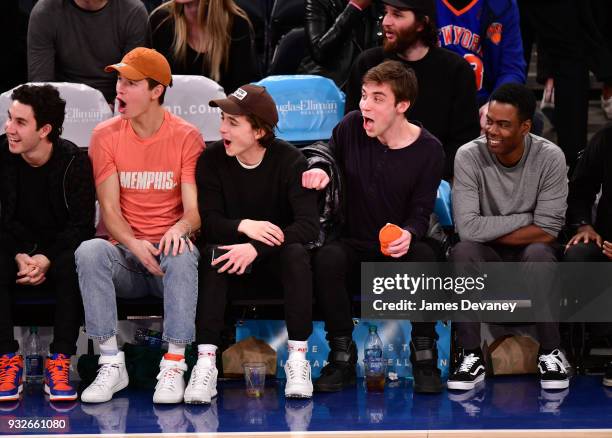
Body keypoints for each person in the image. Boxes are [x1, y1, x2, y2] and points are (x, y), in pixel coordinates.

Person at [303, 60, 445, 393]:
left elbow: (422, 211)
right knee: (327, 257)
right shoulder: (352, 125)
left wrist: (408, 234)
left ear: (402, 105)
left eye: (378, 98)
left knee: (424, 254)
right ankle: (341, 356)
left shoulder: (430, 150)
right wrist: (321, 168)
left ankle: (424, 357)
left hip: (396, 251)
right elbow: (325, 153)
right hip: (353, 244)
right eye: (364, 95)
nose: (365, 104)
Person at [75, 48, 205, 404]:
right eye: (119, 80)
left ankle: (175, 364)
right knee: (89, 251)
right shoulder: (105, 135)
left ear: (156, 90)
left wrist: (177, 231)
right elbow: (109, 211)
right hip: (126, 256)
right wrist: (134, 245)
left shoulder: (186, 136)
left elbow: (194, 213)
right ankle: (110, 361)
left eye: (131, 83)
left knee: (181, 252)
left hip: (168, 258)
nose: (120, 89)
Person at [186, 85, 319, 404]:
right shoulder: (212, 159)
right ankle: (205, 364)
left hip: (274, 263)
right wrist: (245, 227)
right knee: (212, 256)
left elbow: (307, 225)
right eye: (222, 119)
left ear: (258, 130)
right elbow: (210, 222)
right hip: (231, 259)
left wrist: (257, 248)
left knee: (297, 254)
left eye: (233, 122)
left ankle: (298, 360)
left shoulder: (289, 160)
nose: (221, 128)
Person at [448, 83, 569, 391]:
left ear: (525, 127)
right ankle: (471, 355)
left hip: (532, 252)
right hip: (487, 255)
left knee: (540, 254)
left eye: (504, 124)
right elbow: (468, 229)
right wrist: (528, 218)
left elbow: (549, 231)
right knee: (463, 252)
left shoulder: (550, 157)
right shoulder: (468, 156)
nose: (493, 130)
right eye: (490, 120)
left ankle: (551, 352)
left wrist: (490, 227)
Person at [0, 84, 96, 402]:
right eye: (9, 118)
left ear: (44, 130)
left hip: (58, 253)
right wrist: (19, 255)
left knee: (75, 261)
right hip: (12, 250)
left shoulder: (75, 161)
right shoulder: (0, 156)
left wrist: (45, 259)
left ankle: (60, 361)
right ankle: (7, 360)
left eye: (19, 122)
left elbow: (81, 226)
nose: (8, 128)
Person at [344, 0, 479, 178]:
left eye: (397, 15)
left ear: (421, 24)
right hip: (374, 176)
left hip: (436, 178)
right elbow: (353, 133)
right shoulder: (367, 63)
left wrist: (423, 173)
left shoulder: (456, 70)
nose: (386, 21)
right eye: (386, 12)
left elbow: (463, 143)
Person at [28, 0, 150, 104]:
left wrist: (114, 111)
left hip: (116, 105)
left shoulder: (133, 12)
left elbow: (132, 84)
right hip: (63, 106)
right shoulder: (45, 11)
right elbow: (41, 85)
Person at [564, 123, 612, 387]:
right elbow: (580, 191)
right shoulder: (605, 138)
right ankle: (588, 342)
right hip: (605, 242)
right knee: (576, 255)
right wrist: (584, 225)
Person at [435, 0, 526, 131]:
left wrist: (496, 103)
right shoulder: (421, 5)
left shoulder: (503, 5)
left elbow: (512, 69)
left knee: (527, 119)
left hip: (481, 104)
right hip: (432, 101)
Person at [150, 0, 259, 95]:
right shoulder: (160, 21)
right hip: (171, 114)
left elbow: (242, 88)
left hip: (223, 115)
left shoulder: (237, 25)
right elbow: (150, 85)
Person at [300, 0, 383, 88]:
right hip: (331, 84)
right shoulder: (321, 2)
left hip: (374, 79)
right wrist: (354, 7)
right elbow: (319, 53)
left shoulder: (382, 4)